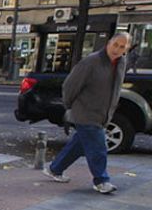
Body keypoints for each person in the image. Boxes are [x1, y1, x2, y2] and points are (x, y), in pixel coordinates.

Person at [43, 32, 130, 194]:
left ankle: (55, 169)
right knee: (98, 147)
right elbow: (70, 86)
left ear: (127, 48)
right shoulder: (91, 61)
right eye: (115, 44)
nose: (117, 49)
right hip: (85, 112)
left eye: (122, 46)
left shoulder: (121, 62)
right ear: (108, 43)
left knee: (80, 145)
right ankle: (101, 181)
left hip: (102, 113)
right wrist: (69, 106)